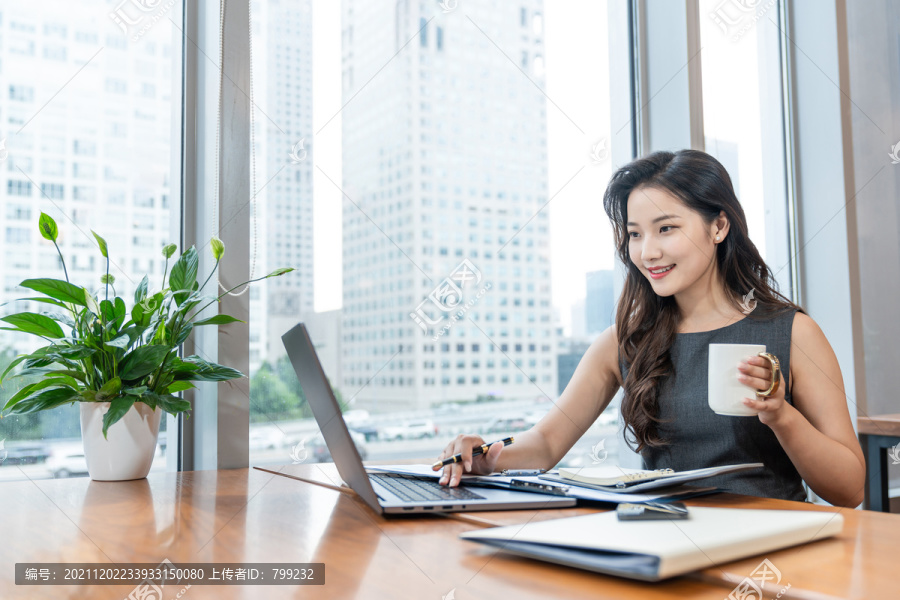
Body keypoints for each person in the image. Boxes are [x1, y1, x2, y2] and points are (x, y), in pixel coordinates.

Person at [434, 149, 866, 508]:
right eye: (635, 234)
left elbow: (849, 490)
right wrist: (486, 458)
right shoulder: (624, 341)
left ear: (718, 226)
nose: (648, 251)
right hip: (666, 546)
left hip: (774, 553)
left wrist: (781, 416)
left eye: (666, 229)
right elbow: (546, 443)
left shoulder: (792, 333)